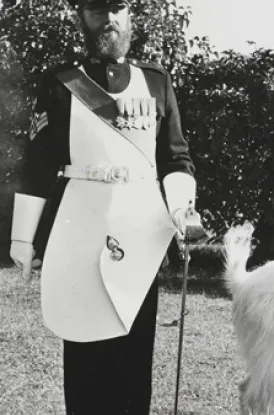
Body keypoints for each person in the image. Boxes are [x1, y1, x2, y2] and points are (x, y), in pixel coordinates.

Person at [8, 0, 202, 413]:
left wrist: (183, 209)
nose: (109, 18)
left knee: (134, 365)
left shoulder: (155, 82)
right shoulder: (61, 83)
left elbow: (175, 158)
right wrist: (22, 238)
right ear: (82, 18)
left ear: (130, 16)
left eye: (118, 8)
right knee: (85, 364)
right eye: (98, 10)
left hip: (141, 238)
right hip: (80, 229)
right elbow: (39, 164)